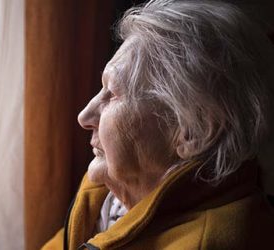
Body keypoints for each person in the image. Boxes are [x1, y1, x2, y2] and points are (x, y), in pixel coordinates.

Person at [43, 0, 274, 249]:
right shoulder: (107, 194)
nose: (85, 116)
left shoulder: (213, 241)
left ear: (193, 130)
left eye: (112, 93)